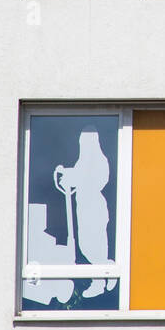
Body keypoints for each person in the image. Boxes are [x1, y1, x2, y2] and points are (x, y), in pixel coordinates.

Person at [54, 128, 116, 298]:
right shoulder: (82, 162)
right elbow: (77, 176)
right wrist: (66, 174)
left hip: (94, 209)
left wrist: (73, 177)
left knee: (94, 246)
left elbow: (92, 179)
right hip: (84, 208)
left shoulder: (99, 161)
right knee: (86, 245)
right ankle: (108, 270)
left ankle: (101, 279)